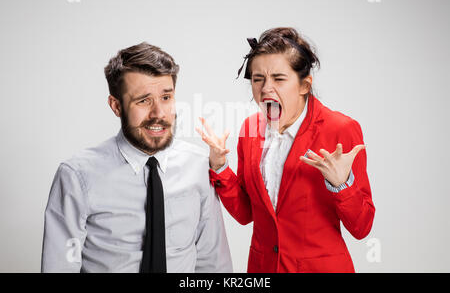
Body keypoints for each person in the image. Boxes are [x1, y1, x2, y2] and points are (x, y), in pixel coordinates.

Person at [41, 42, 232, 273]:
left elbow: (213, 263)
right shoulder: (77, 176)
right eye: (143, 100)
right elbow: (59, 266)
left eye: (166, 97)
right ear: (116, 106)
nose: (158, 114)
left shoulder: (198, 166)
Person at [197, 27, 375, 273]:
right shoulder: (250, 129)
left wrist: (341, 184)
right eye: (258, 79)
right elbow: (246, 213)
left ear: (304, 85)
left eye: (279, 79)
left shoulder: (339, 129)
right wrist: (219, 166)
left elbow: (362, 227)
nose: (266, 88)